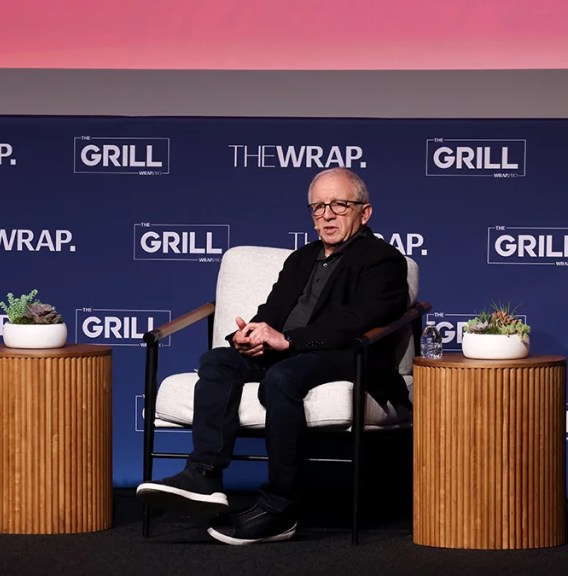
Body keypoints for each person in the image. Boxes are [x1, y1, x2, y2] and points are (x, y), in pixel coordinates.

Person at [136, 167, 410, 545]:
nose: (327, 215)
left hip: (345, 356)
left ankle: (280, 507)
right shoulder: (301, 259)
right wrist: (249, 334)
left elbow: (358, 320)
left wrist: (289, 342)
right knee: (218, 361)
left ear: (365, 213)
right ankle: (204, 474)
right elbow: (273, 311)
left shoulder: (384, 260)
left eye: (339, 205)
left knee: (283, 378)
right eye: (318, 207)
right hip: (288, 349)